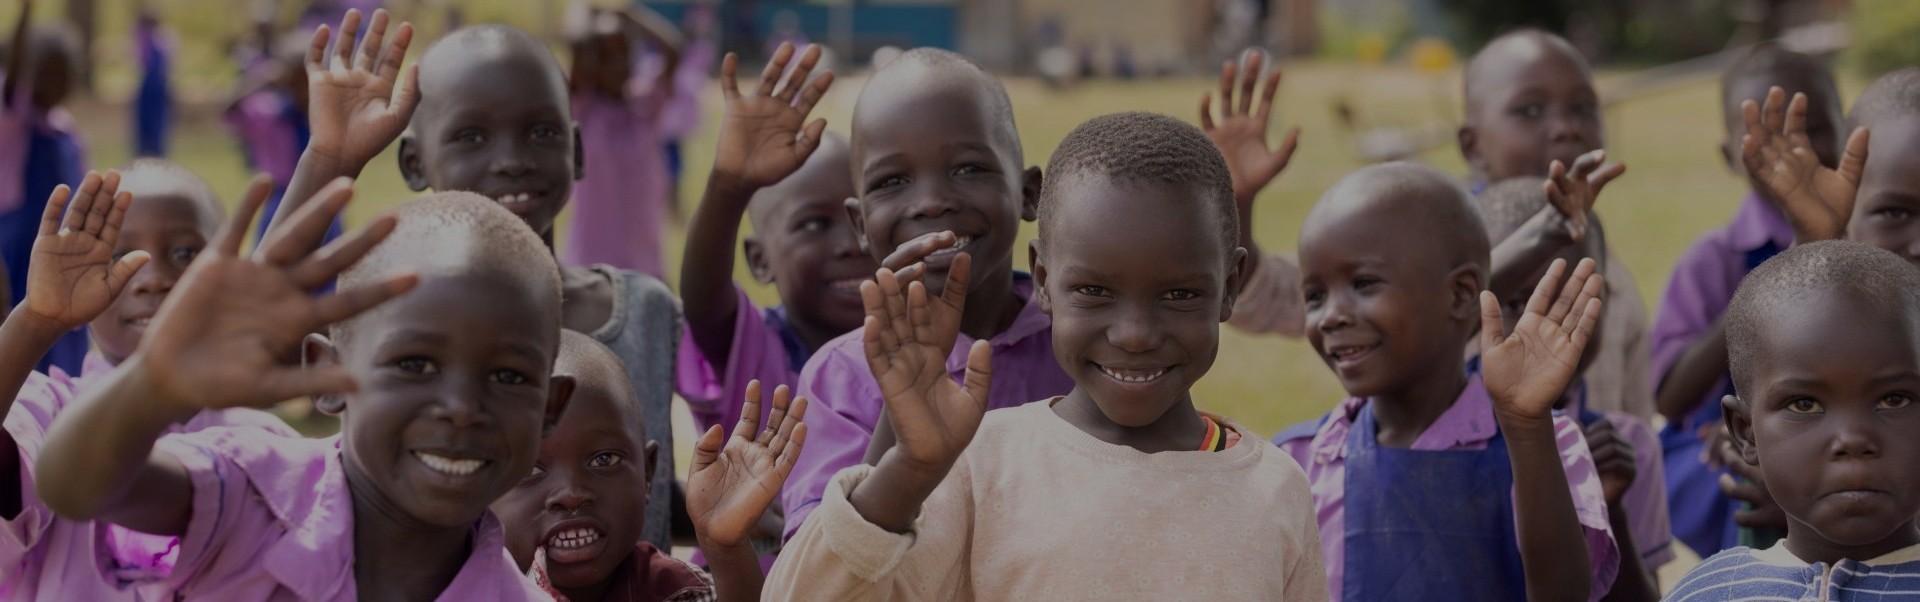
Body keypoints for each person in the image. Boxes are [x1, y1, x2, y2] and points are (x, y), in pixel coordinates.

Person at [765, 112, 1328, 600]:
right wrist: (910, 469)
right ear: (1042, 279)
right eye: (1094, 291)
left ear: (1230, 285)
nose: (1134, 334)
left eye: (1179, 295)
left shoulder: (1275, 488)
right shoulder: (978, 467)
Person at [265, 10, 683, 551]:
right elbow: (248, 337)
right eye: (471, 136)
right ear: (415, 162)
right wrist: (329, 161)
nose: (511, 160)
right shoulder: (391, 314)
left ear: (576, 152)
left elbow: (647, 491)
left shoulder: (643, 310)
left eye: (541, 132)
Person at [33, 186, 560, 599]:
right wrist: (155, 384)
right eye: (415, 364)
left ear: (548, 410)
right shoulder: (251, 496)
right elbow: (75, 487)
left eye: (509, 376)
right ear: (326, 376)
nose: (462, 409)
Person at [779, 47, 1074, 541]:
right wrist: (903, 415)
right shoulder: (840, 380)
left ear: (1028, 195)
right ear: (860, 224)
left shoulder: (1075, 343)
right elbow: (817, 567)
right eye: (893, 181)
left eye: (968, 169)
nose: (933, 201)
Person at [1290, 162, 1619, 601]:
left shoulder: (1547, 442)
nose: (1331, 315)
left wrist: (1526, 426)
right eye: (1315, 295)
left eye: (1364, 283)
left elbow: (1562, 596)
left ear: (1462, 294)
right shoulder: (1303, 462)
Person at [1, 166, 299, 598]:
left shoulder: (267, 441)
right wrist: (36, 322)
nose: (154, 278)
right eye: (119, 258)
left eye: (184, 254)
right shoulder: (47, 412)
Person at [1651, 45, 1843, 558]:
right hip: (1727, 444)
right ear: (1728, 156)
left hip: (1846, 434)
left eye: (1813, 126)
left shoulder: (1871, 247)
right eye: (1768, 132)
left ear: (1846, 133)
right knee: (1741, 476)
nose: (1794, 146)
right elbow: (1670, 397)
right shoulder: (1713, 260)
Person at [1663, 241, 1920, 600]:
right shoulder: (1707, 592)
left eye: (1894, 399)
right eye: (1804, 404)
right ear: (1745, 432)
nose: (1852, 438)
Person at [497, 331, 808, 602]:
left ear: (647, 473)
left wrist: (725, 547)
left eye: (604, 459)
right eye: (529, 470)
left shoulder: (679, 593)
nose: (571, 493)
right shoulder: (467, 587)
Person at [1477, 177, 1668, 599]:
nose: (1541, 329)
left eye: (1572, 299)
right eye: (1513, 305)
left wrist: (1611, 510)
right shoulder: (1441, 431)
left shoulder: (1628, 445)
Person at [1457, 29, 1651, 423]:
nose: (1566, 128)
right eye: (1529, 111)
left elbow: (1634, 417)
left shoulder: (1611, 276)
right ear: (1474, 147)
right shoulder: (1443, 258)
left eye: (1582, 108)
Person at [562, 2, 684, 277]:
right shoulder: (583, 109)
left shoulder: (644, 105)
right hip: (591, 263)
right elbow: (577, 41)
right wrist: (590, 9)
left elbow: (675, 49)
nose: (618, 65)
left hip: (646, 262)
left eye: (624, 53)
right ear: (591, 63)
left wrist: (628, 13)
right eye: (606, 56)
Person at [0, 3, 90, 376]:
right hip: (20, 242)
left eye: (62, 76)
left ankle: (67, 388)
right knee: (28, 321)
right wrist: (26, 9)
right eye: (44, 75)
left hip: (65, 244)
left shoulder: (65, 128)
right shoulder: (13, 114)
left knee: (66, 324)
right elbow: (15, 72)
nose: (52, 85)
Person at [132, 8, 173, 158]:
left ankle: (156, 155)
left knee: (157, 125)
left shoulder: (161, 40)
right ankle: (145, 154)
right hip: (149, 87)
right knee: (146, 125)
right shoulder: (144, 39)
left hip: (158, 87)